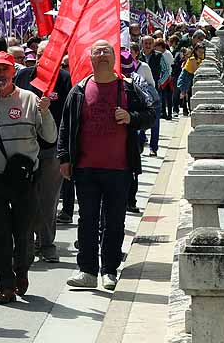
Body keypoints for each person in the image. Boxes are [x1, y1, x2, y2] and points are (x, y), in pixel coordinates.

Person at [59, 40, 154, 291]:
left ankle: (109, 270)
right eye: (97, 52)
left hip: (120, 169)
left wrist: (131, 117)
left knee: (114, 221)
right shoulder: (79, 90)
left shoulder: (129, 88)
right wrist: (64, 159)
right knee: (87, 220)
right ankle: (87, 271)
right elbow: (65, 126)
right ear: (90, 58)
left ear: (114, 58)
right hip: (85, 168)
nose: (101, 55)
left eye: (106, 51)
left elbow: (150, 115)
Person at [0, 51, 56, 303]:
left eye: (4, 70)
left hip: (24, 178)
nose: (0, 74)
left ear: (13, 72)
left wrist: (45, 113)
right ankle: (5, 285)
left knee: (23, 231)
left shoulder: (31, 100)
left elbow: (50, 137)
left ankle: (22, 271)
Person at [14, 40, 71, 264]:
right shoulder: (23, 76)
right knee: (25, 198)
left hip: (51, 150)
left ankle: (47, 244)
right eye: (38, 53)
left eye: (48, 54)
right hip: (24, 149)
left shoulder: (64, 79)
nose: (42, 58)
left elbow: (68, 115)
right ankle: (26, 244)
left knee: (48, 200)